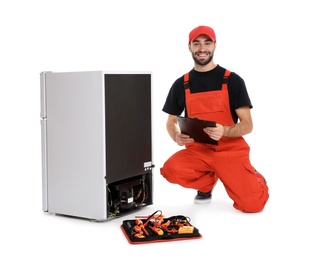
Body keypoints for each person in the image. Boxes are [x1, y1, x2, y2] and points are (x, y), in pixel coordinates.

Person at [160, 25, 269, 213]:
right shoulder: (181, 84)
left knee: (252, 206)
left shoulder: (233, 80)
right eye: (197, 43)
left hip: (230, 150)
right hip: (198, 151)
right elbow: (171, 122)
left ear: (215, 45)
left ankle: (255, 177)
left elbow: (248, 125)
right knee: (170, 170)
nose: (202, 48)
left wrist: (225, 131)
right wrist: (176, 136)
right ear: (189, 47)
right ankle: (207, 182)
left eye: (207, 43)